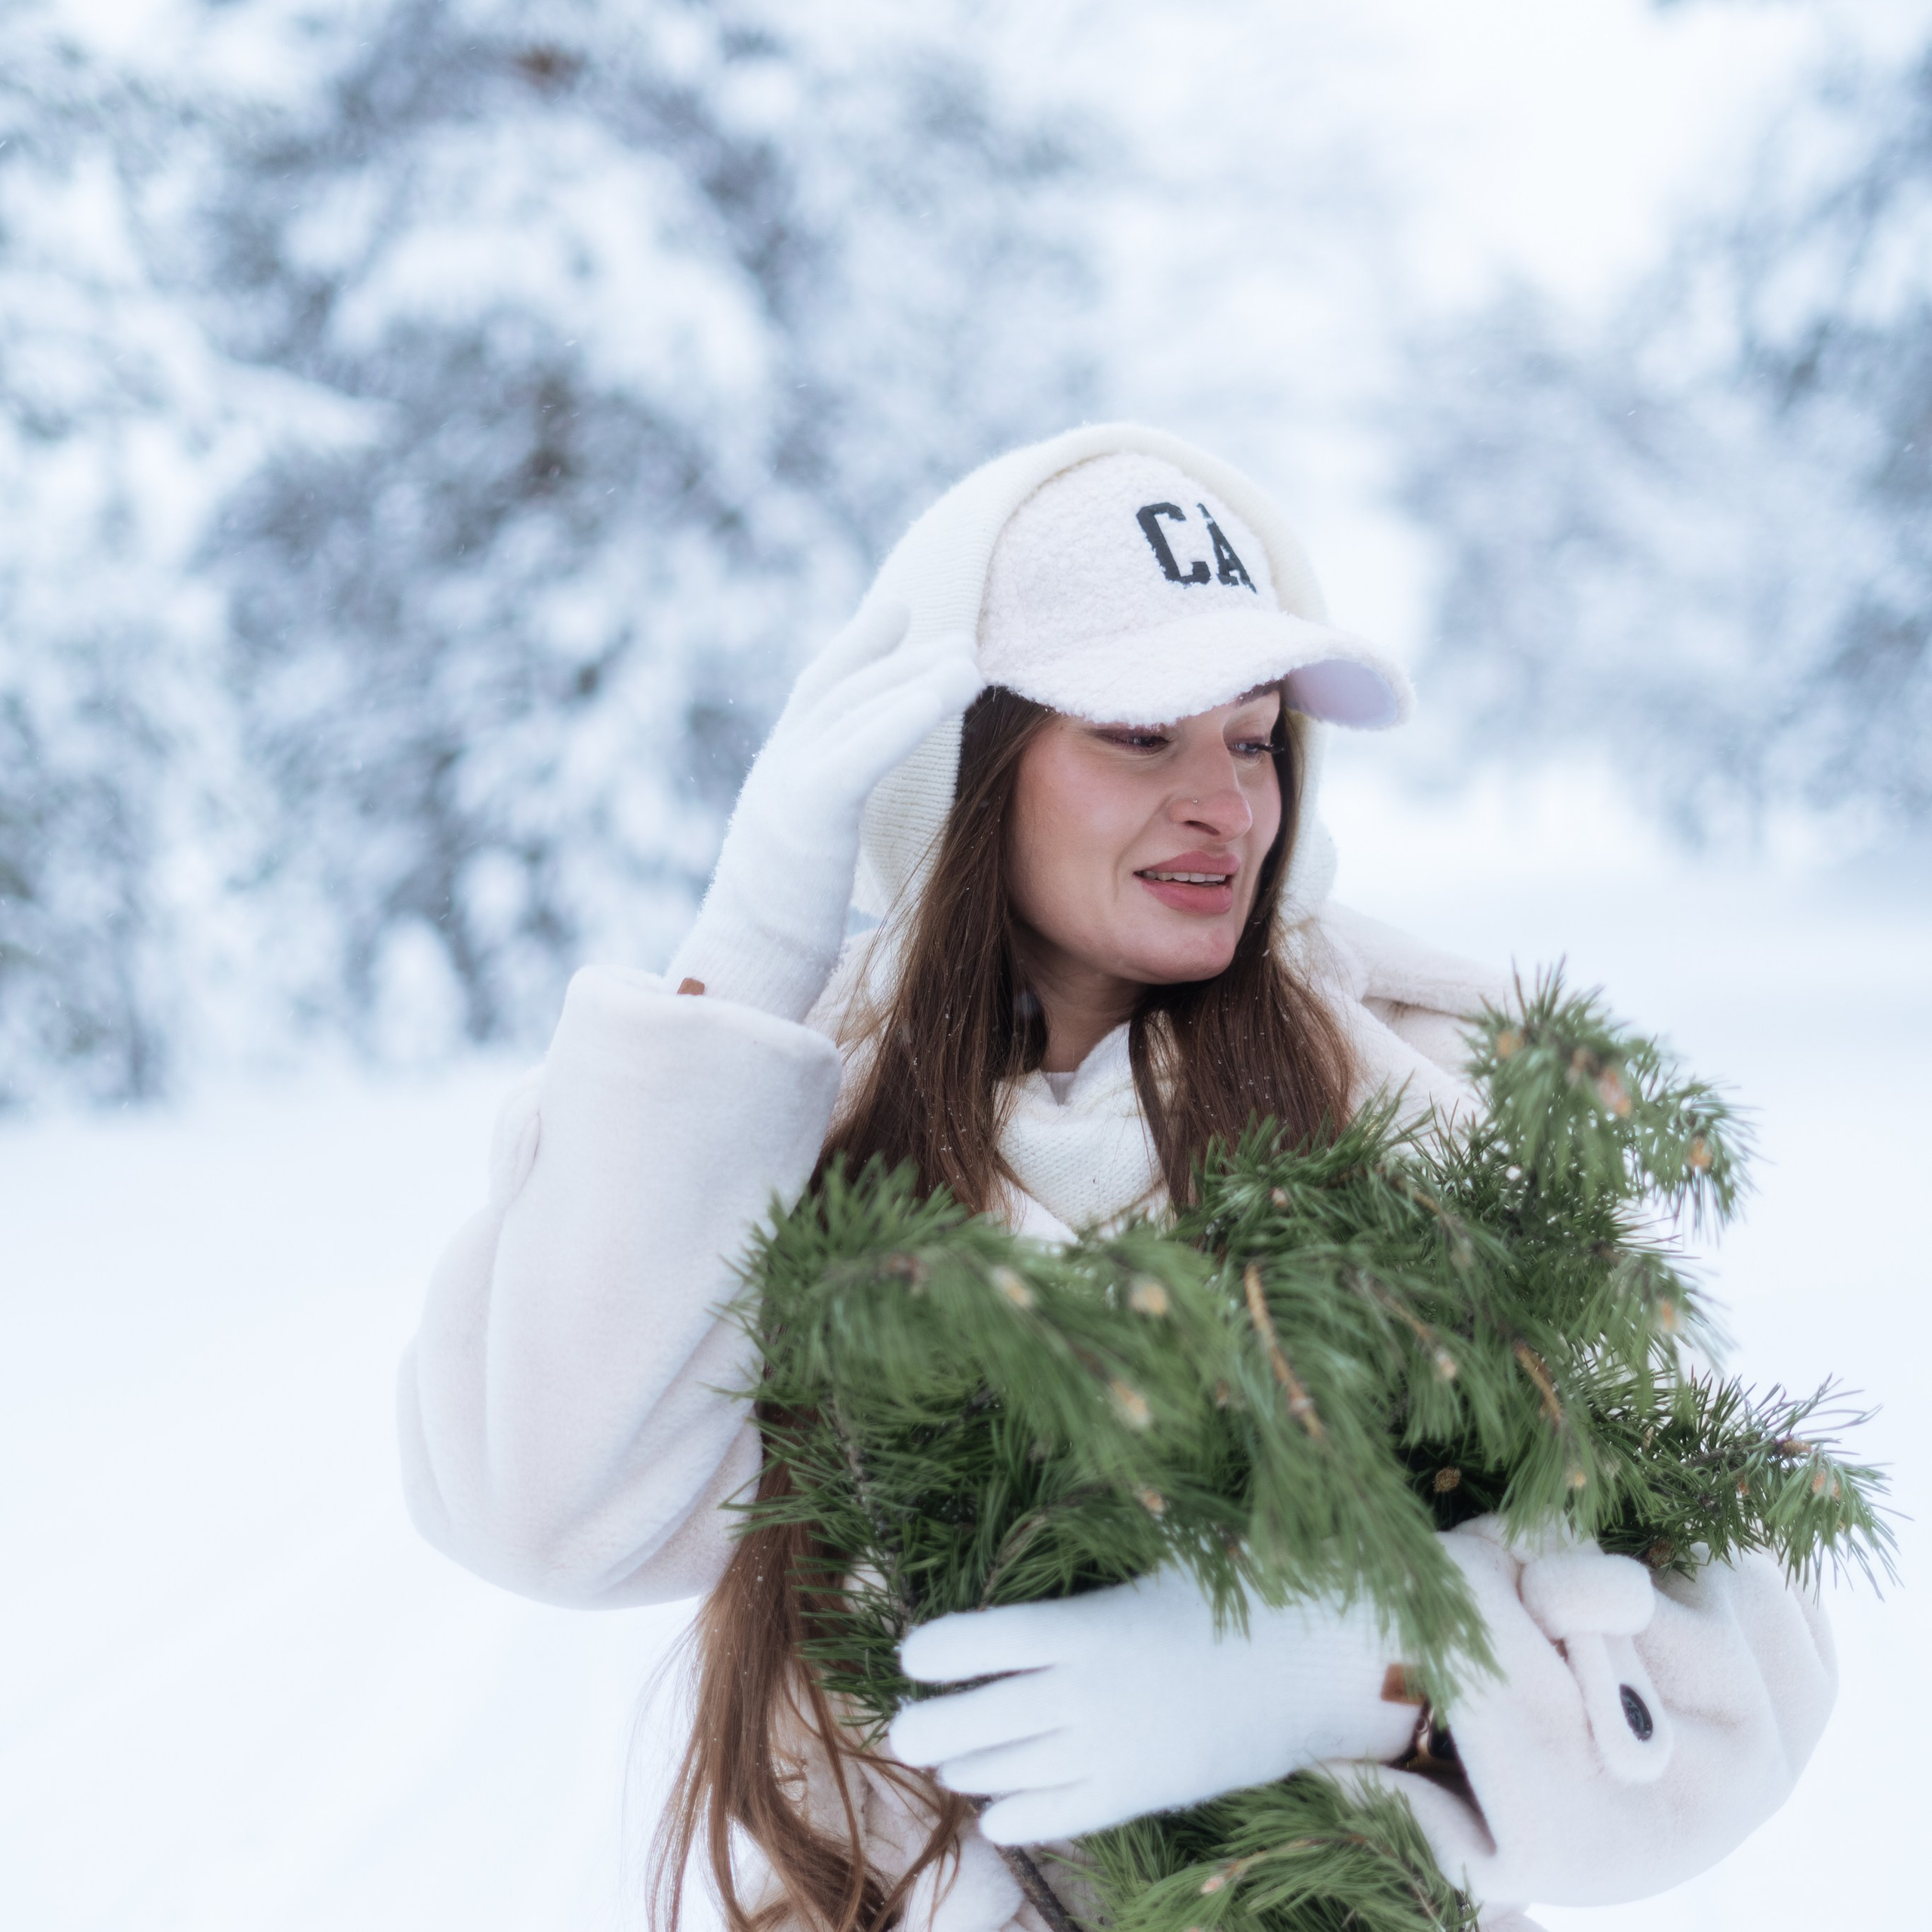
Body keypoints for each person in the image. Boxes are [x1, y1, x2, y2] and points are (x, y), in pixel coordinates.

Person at [398, 426, 1838, 1932]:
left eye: (1253, 731)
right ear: (968, 762)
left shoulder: (1431, 1106)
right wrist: (754, 938)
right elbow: (543, 1510)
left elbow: (1745, 1664)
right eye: (1142, 733)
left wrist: (1349, 1658)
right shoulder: (774, 1125)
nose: (1227, 800)